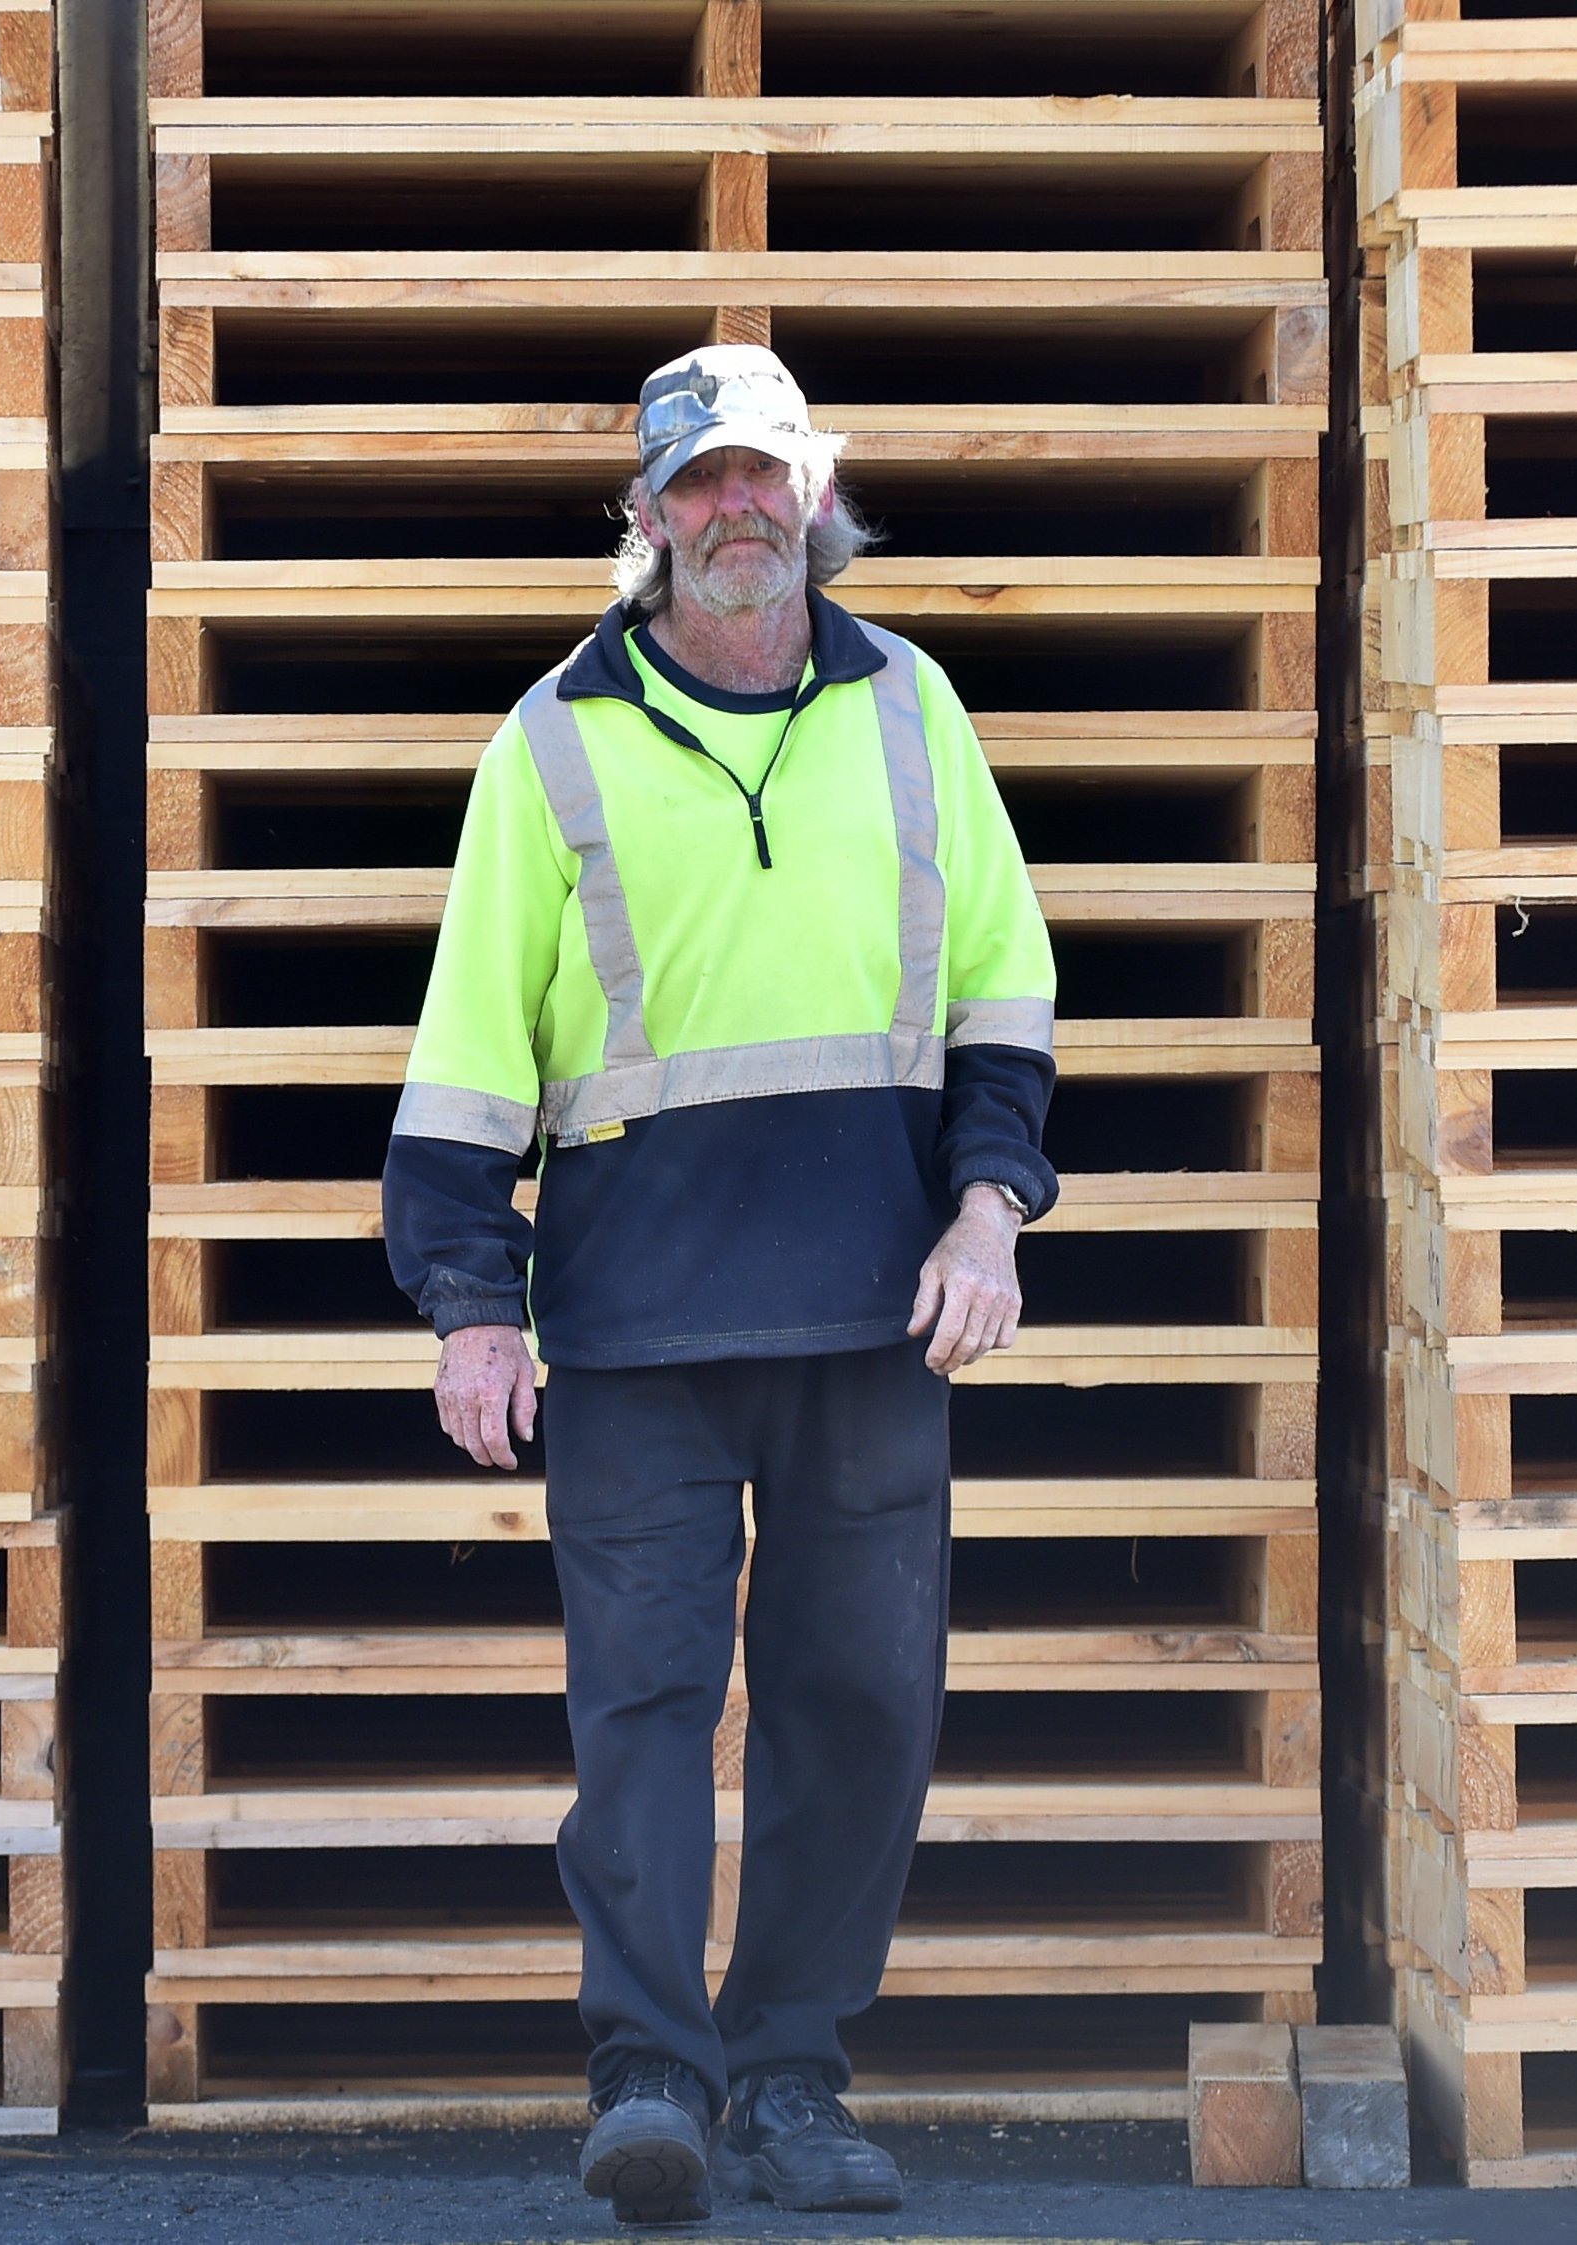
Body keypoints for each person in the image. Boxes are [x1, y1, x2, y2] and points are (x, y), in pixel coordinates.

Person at [381, 344, 1058, 2224]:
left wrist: (990, 1211)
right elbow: (464, 1057)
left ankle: (792, 2078)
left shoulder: (918, 711)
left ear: (816, 498)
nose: (736, 512)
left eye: (765, 478)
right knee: (647, 1713)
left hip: (876, 1316)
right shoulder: (556, 744)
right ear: (647, 521)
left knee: (860, 1706)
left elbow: (1004, 999)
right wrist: (470, 1302)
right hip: (634, 1330)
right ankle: (651, 2080)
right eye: (697, 487)